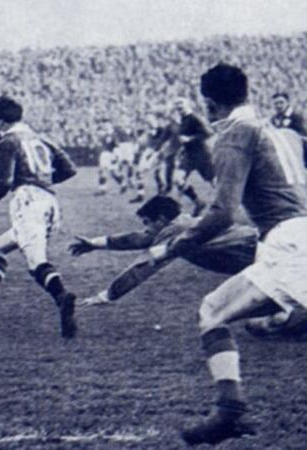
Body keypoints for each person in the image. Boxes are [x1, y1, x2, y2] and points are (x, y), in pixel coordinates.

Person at [159, 63, 307, 445]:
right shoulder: (280, 131)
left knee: (212, 311)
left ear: (209, 104)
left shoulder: (234, 134)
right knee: (246, 316)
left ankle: (229, 412)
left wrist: (181, 243)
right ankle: (229, 411)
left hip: (288, 243)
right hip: (295, 235)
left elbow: (223, 212)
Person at [0, 95, 78, 338]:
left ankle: (63, 297)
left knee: (36, 262)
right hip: (50, 202)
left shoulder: (7, 142)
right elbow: (69, 169)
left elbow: (5, 182)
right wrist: (42, 181)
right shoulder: (40, 138)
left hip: (28, 201)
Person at [69, 195, 257, 306]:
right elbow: (140, 238)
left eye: (148, 223)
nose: (146, 229)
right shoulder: (179, 223)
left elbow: (142, 267)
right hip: (259, 254)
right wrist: (95, 243)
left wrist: (107, 295)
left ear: (160, 219)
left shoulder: (175, 229)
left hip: (266, 254)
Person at [172, 97, 213, 216]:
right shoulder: (183, 120)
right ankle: (198, 202)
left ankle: (232, 206)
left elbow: (209, 133)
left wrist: (190, 139)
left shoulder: (195, 118)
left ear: (188, 104)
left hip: (202, 155)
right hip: (188, 156)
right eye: (177, 104)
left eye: (181, 103)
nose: (179, 106)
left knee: (214, 182)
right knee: (178, 180)